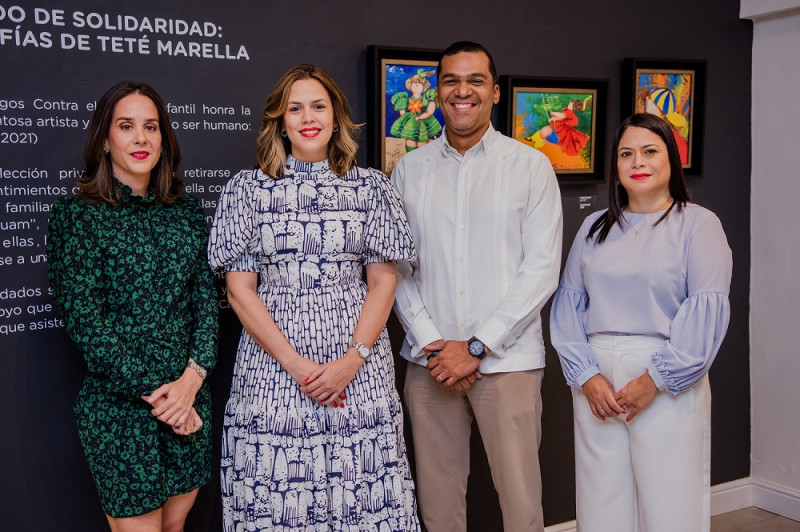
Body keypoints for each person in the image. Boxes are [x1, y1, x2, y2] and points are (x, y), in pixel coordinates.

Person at [208, 64, 420, 531]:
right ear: (279, 121)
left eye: (318, 106)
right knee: (278, 493)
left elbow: (383, 281)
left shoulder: (371, 187)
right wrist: (296, 365)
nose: (308, 117)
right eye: (295, 108)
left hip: (359, 367)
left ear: (336, 115)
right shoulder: (247, 190)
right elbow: (240, 291)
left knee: (362, 487)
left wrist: (352, 360)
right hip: (273, 368)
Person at [392, 41, 563, 532]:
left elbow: (541, 269)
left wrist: (476, 345)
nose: (462, 90)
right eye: (451, 80)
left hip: (507, 364)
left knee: (521, 504)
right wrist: (435, 343)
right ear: (438, 90)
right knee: (439, 504)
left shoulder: (530, 166)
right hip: (430, 366)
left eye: (475, 81)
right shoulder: (410, 169)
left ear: (494, 91)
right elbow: (397, 267)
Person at [46, 81, 219, 531]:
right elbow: (85, 322)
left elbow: (206, 300)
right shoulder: (77, 214)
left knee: (175, 527)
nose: (141, 138)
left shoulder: (185, 211)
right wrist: (165, 398)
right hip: (122, 410)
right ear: (105, 139)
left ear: (164, 138)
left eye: (151, 127)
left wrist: (191, 380)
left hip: (189, 398)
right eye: (127, 126)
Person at [550, 112, 732, 532]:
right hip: (596, 381)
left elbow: (705, 316)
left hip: (667, 379)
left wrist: (655, 380)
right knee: (600, 504)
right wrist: (586, 377)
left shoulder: (699, 225)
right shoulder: (594, 226)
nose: (638, 162)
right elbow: (568, 307)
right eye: (626, 154)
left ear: (672, 159)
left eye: (649, 151)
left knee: (670, 504)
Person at [389, 68, 442, 152]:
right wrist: (406, 122)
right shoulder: (404, 99)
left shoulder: (426, 98)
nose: (417, 85)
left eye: (420, 84)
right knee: (410, 142)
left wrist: (421, 117)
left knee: (423, 143)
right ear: (410, 85)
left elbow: (429, 112)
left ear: (424, 87)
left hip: (423, 122)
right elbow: (402, 114)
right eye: (415, 83)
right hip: (410, 123)